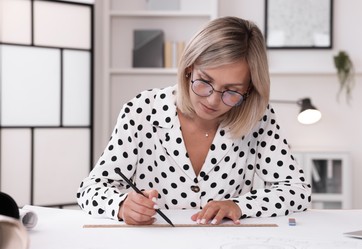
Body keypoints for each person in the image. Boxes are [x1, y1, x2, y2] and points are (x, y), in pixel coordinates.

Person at [77, 16, 311, 225]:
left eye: (231, 91)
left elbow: (297, 190)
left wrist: (241, 206)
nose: (212, 100)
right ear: (189, 68)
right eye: (204, 81)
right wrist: (121, 206)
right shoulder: (142, 110)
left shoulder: (258, 118)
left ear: (249, 90)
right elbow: (90, 190)